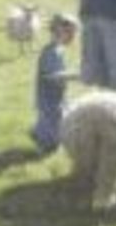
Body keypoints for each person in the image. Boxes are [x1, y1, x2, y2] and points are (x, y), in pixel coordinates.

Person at [29, 12, 79, 154]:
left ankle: (39, 134)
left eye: (73, 34)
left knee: (56, 123)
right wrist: (76, 75)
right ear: (59, 32)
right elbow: (53, 77)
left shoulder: (57, 50)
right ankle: (42, 144)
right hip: (48, 101)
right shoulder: (50, 53)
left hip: (55, 99)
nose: (73, 37)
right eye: (70, 33)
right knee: (52, 139)